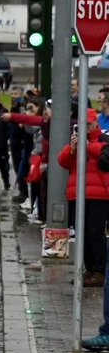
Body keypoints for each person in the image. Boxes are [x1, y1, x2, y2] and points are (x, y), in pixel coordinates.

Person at [57, 119, 109, 288]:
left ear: (94, 123)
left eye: (87, 125)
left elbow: (104, 158)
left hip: (98, 194)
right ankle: (89, 268)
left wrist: (87, 145)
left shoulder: (103, 138)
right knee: (81, 233)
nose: (84, 129)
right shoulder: (76, 140)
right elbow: (63, 162)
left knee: (95, 232)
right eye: (81, 125)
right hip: (77, 193)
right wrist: (72, 149)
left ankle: (100, 271)